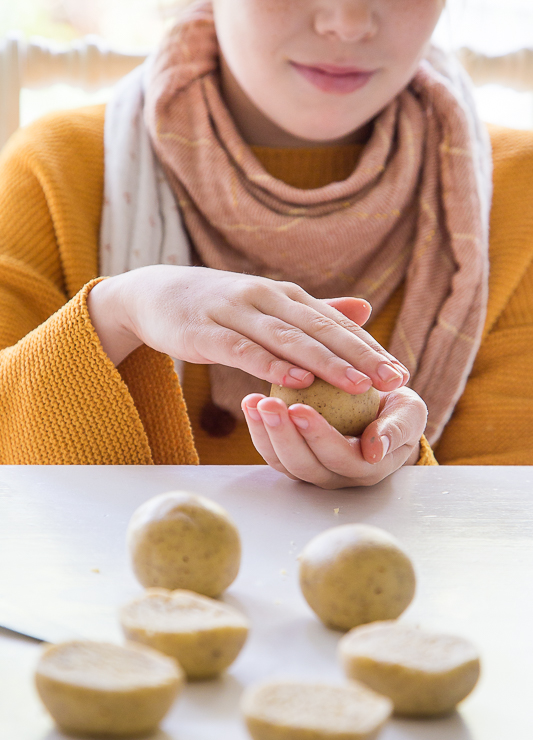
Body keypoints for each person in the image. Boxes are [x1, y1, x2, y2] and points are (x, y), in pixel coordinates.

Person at [0, 0, 532, 485]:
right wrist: (117, 313)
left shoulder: (518, 195)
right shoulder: (56, 172)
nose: (346, 22)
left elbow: (507, 543)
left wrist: (398, 466)